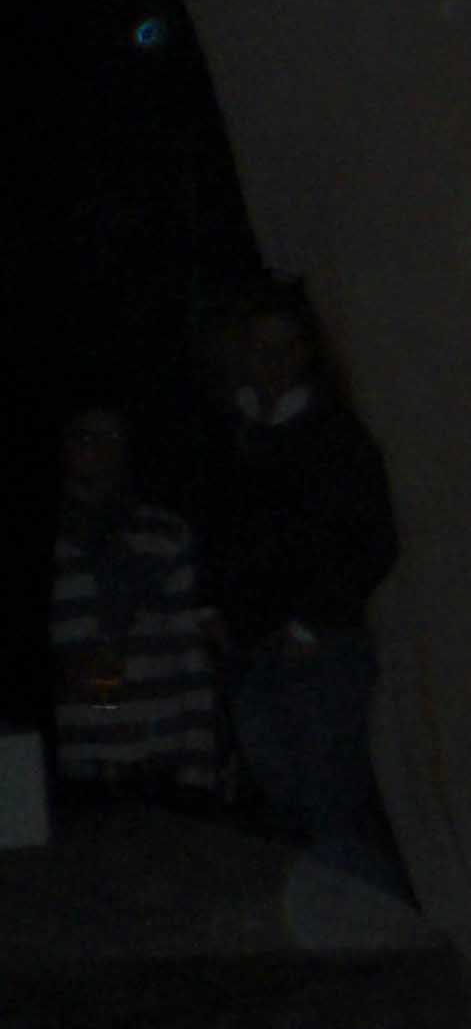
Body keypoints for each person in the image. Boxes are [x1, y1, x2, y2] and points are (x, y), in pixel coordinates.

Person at [200, 288, 406, 890]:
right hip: (250, 646)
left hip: (321, 649)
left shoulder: (335, 437)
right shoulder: (232, 436)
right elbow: (213, 526)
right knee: (282, 800)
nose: (274, 362)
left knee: (331, 803)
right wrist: (212, 606)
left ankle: (370, 931)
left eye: (287, 347)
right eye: (261, 348)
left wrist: (312, 622)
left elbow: (371, 542)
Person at [46, 403, 225, 801]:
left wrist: (199, 760)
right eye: (86, 437)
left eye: (111, 438)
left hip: (160, 753)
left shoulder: (164, 532)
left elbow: (190, 651)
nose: (98, 449)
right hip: (79, 756)